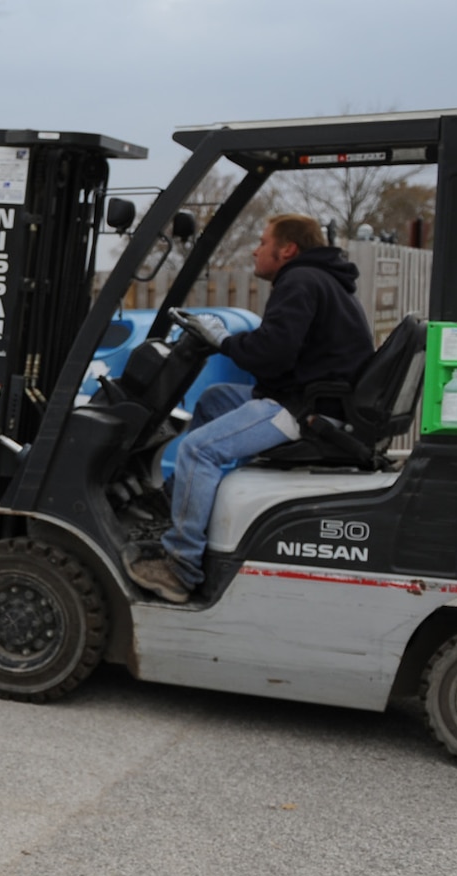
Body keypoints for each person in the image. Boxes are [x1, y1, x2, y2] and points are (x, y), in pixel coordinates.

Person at [127, 213, 376, 603]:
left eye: (262, 242)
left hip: (306, 412)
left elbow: (271, 355)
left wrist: (225, 340)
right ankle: (176, 504)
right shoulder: (322, 281)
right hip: (311, 397)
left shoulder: (299, 281)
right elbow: (282, 347)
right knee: (213, 401)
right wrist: (226, 340)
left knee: (198, 450)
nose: (256, 250)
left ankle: (180, 566)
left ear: (287, 249)